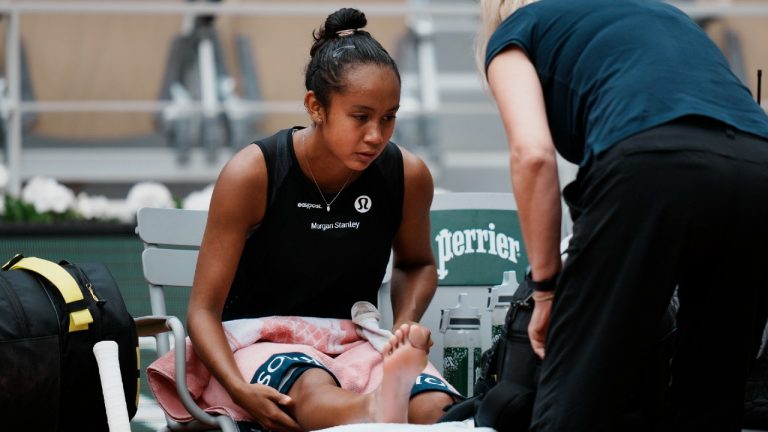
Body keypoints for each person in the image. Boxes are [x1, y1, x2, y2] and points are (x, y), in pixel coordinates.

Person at [476, 0, 768, 430]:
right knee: (711, 395)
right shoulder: (663, 14)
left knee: (577, 394)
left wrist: (546, 291)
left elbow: (533, 155)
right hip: (758, 168)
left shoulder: (518, 29)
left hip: (650, 165)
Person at [186, 8, 458, 432]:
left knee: (435, 407)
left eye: (389, 117)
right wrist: (238, 389)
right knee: (312, 387)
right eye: (361, 117)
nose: (376, 135)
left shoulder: (407, 174)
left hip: (354, 339)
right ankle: (374, 410)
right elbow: (203, 311)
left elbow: (417, 263)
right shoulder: (253, 173)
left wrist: (404, 325)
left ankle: (382, 404)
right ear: (316, 106)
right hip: (258, 341)